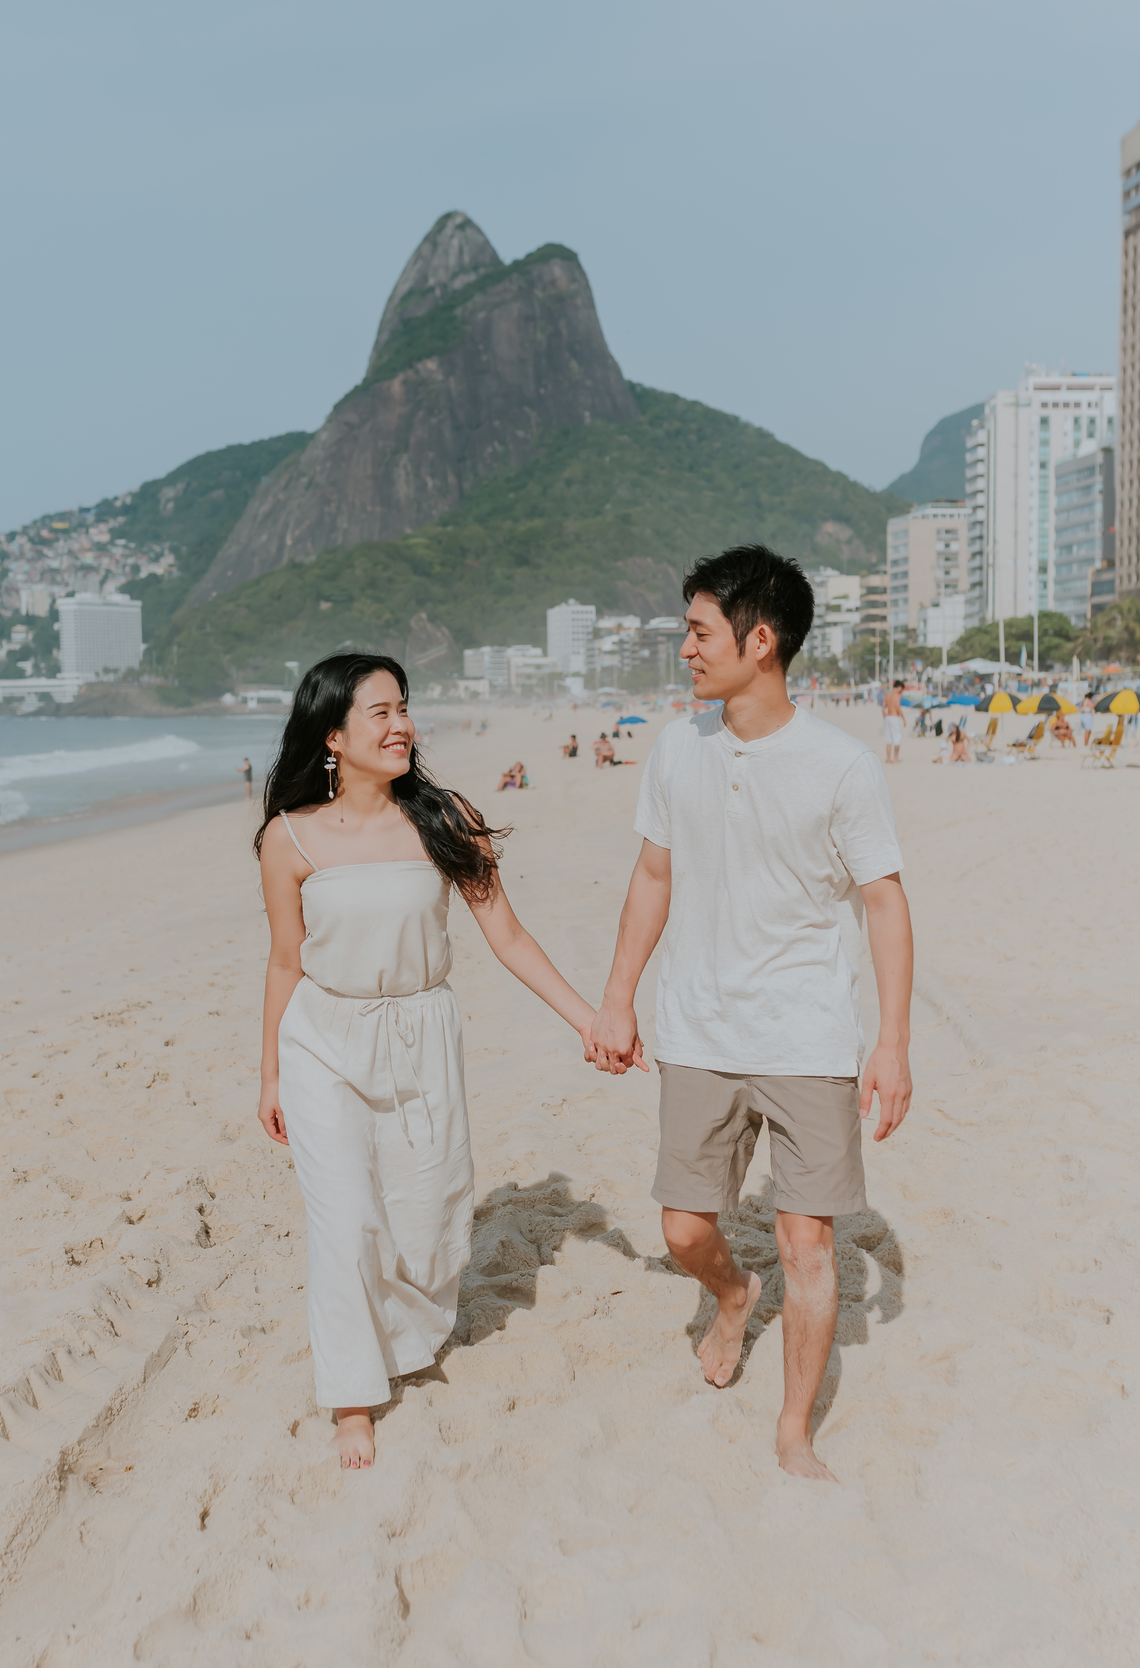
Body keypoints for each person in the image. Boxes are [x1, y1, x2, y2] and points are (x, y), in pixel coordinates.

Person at [589, 545, 912, 1483]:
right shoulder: (676, 747)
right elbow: (654, 876)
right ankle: (734, 1295)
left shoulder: (841, 767)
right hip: (698, 1028)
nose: (686, 649)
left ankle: (793, 1431)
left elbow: (884, 902)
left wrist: (892, 1044)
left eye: (700, 632)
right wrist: (618, 997)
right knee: (684, 1231)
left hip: (806, 1035)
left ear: (759, 640)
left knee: (808, 1246)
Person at [256, 655, 595, 1470]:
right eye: (379, 712)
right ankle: (351, 1398)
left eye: (402, 708)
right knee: (344, 1221)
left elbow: (507, 935)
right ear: (333, 737)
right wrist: (269, 1073)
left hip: (421, 1033)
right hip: (323, 1041)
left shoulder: (446, 819)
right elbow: (284, 961)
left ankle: (401, 1335)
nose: (400, 724)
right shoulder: (289, 837)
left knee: (427, 1216)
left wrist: (588, 1020)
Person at [883, 680, 905, 764]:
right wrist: (903, 719)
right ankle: (895, 759)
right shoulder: (897, 695)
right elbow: (897, 707)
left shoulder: (887, 695)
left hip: (887, 718)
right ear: (899, 687)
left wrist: (884, 718)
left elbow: (883, 708)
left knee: (888, 740)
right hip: (894, 717)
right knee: (897, 738)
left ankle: (888, 759)